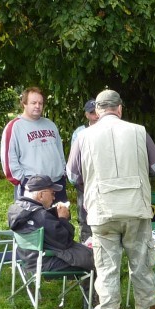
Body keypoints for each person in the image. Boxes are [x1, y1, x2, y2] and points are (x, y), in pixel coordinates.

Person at [66, 89, 155, 309]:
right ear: (120, 108)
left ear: (97, 111)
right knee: (142, 266)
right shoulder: (139, 132)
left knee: (106, 268)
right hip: (136, 210)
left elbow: (73, 176)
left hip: (102, 212)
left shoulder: (84, 137)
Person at [7, 175, 94, 276]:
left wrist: (52, 215)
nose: (54, 197)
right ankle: (94, 291)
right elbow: (65, 242)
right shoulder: (41, 216)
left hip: (27, 260)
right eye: (52, 193)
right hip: (46, 262)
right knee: (96, 261)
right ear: (41, 195)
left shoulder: (15, 210)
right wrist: (63, 219)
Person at [0, 87, 68, 202]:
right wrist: (23, 181)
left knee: (61, 218)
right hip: (33, 187)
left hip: (57, 184)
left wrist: (63, 172)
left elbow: (59, 152)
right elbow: (9, 159)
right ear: (24, 104)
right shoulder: (14, 127)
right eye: (33, 103)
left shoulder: (50, 124)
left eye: (40, 103)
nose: (37, 106)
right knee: (36, 219)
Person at [69, 99, 99, 243]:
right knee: (84, 216)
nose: (96, 115)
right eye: (92, 113)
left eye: (97, 111)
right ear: (86, 114)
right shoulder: (80, 132)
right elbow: (74, 159)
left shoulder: (108, 129)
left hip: (102, 179)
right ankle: (85, 246)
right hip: (84, 181)